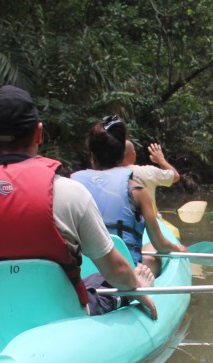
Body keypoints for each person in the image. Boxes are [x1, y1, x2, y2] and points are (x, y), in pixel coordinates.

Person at [0, 85, 157, 319]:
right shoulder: (70, 193)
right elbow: (117, 271)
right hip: (62, 313)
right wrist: (137, 287)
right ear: (39, 133)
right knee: (104, 280)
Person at [72, 116, 185, 270]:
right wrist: (177, 248)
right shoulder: (137, 189)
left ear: (92, 156)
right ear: (122, 156)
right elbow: (160, 244)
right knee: (151, 255)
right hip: (123, 271)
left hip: (83, 269)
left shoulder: (72, 185)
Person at [121, 139, 180, 207]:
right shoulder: (148, 171)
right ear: (134, 155)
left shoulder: (107, 175)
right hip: (148, 216)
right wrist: (161, 160)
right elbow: (175, 176)